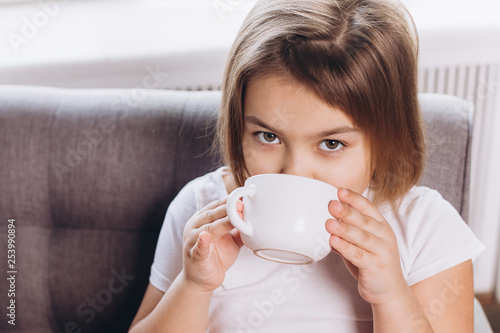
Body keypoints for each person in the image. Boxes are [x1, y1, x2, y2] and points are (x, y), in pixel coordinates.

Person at [129, 0, 485, 331]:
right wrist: (194, 285)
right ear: (239, 126)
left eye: (331, 144)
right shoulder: (202, 212)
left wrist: (391, 295)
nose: (295, 171)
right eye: (268, 136)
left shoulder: (426, 228)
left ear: (385, 140)